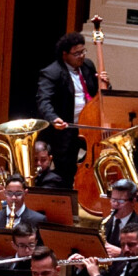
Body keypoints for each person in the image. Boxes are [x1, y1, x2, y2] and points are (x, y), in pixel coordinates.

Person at [37, 31, 109, 186]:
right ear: (65, 55)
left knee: (103, 156)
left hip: (89, 128)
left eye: (83, 51)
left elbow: (98, 96)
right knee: (66, 171)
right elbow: (44, 100)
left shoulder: (88, 66)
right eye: (77, 53)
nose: (81, 56)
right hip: (66, 129)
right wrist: (53, 118)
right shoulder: (52, 72)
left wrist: (105, 85)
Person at [99, 179, 138, 255]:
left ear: (133, 201)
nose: (116, 204)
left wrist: (121, 253)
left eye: (121, 201)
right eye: (113, 200)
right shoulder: (103, 222)